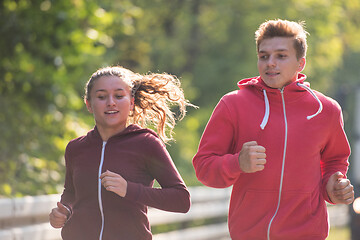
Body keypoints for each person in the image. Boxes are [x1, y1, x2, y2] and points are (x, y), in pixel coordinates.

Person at [192, 19, 354, 240]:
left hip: (308, 234)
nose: (270, 63)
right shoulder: (233, 105)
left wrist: (334, 185)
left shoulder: (325, 110)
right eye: (263, 56)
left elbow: (334, 162)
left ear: (301, 63)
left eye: (281, 55)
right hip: (249, 235)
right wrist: (237, 163)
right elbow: (203, 167)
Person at [49, 66, 194, 240]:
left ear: (131, 102)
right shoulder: (76, 148)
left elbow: (181, 200)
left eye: (119, 96)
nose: (111, 102)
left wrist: (129, 189)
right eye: (101, 97)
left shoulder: (146, 144)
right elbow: (71, 193)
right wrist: (64, 210)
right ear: (89, 104)